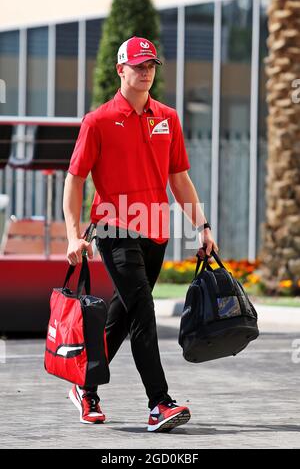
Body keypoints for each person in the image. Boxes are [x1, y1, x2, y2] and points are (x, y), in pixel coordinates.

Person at [63, 36, 218, 431]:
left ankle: (85, 387)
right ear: (121, 70)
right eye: (138, 65)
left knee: (122, 314)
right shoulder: (97, 121)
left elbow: (179, 178)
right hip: (114, 229)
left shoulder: (167, 116)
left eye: (151, 65)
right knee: (143, 313)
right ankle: (158, 403)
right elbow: (74, 180)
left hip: (155, 233)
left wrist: (202, 225)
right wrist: (71, 235)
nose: (146, 71)